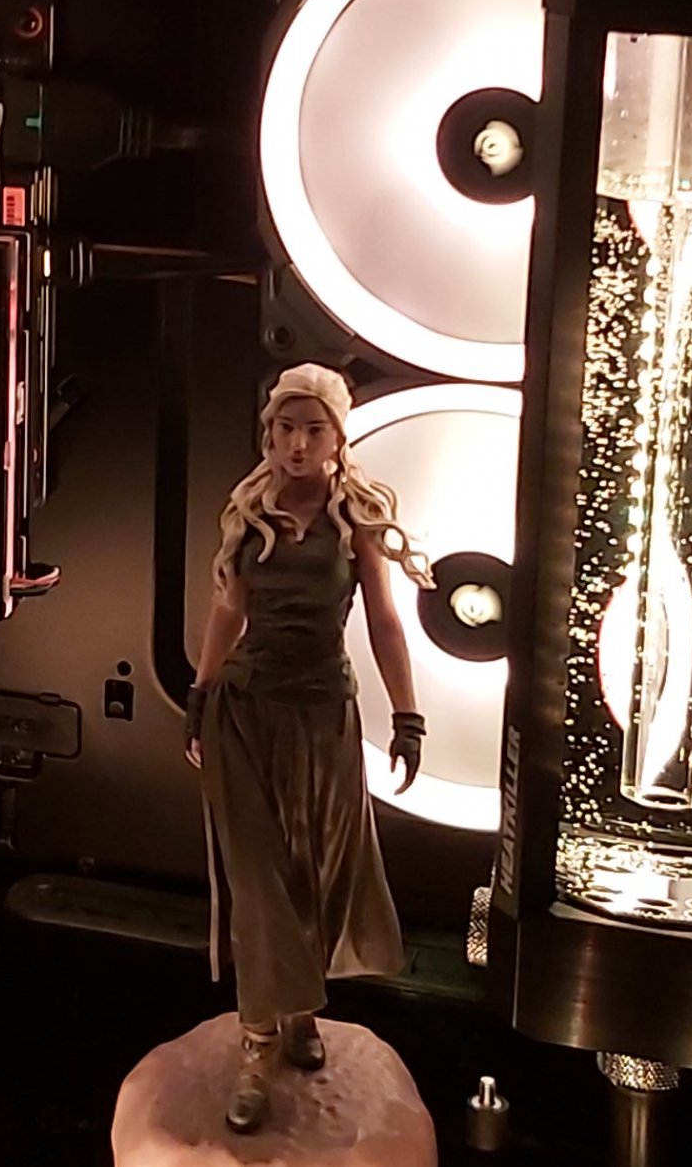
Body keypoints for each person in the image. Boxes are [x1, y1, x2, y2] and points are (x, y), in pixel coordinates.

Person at [185, 363, 427, 1134]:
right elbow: (228, 610)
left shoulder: (358, 517)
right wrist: (200, 691)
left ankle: (300, 1013)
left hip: (323, 715)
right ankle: (257, 1047)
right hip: (245, 715)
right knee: (258, 886)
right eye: (285, 428)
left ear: (336, 436)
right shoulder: (248, 511)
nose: (297, 444)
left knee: (316, 874)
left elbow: (385, 620)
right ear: (270, 432)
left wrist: (408, 714)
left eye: (312, 429)